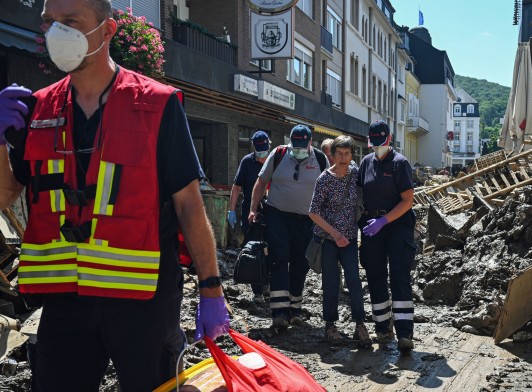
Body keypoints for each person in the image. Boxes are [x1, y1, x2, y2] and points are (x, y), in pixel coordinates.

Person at [0, 0, 229, 390]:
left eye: (70, 22)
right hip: (65, 300)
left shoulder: (156, 105)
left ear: (107, 31)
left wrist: (211, 287)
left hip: (144, 300)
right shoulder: (35, 111)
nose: (57, 33)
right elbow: (5, 195)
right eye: (50, 23)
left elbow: (189, 203)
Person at [249, 124, 329, 330]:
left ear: (311, 143)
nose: (299, 149)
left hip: (307, 221)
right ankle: (279, 312)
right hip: (278, 217)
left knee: (300, 264)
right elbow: (260, 183)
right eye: (296, 145)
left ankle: (295, 310)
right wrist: (253, 209)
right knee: (279, 260)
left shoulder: (320, 159)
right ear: (290, 142)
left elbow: (328, 189)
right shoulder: (278, 154)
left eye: (303, 145)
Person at [358, 120, 416, 354]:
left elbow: (407, 200)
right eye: (374, 143)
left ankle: (404, 333)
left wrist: (385, 220)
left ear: (389, 140)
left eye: (381, 143)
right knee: (375, 275)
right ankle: (382, 327)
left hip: (397, 225)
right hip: (372, 226)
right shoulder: (366, 162)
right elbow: (359, 192)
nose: (377, 147)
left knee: (399, 276)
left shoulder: (400, 164)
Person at [308, 136, 371, 347]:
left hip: (351, 239)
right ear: (332, 155)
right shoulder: (324, 179)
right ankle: (330, 325)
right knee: (331, 283)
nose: (343, 158)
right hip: (328, 240)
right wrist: (335, 234)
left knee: (354, 280)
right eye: (339, 154)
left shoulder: (355, 175)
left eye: (347, 153)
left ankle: (360, 324)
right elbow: (313, 212)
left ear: (352, 155)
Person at [228, 130, 271, 304]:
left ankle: (268, 284)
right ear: (254, 148)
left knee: (271, 248)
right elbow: (236, 187)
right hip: (250, 212)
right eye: (259, 151)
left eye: (264, 150)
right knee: (254, 249)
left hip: (270, 210)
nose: (262, 155)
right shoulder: (247, 162)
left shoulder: (274, 158)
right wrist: (231, 210)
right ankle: (257, 291)